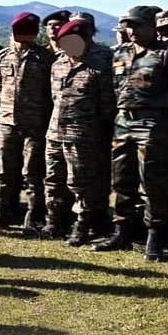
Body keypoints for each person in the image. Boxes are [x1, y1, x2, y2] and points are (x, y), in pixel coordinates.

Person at [94, 5, 168, 258]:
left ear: (152, 27)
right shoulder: (119, 53)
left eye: (138, 25)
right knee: (122, 179)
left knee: (153, 182)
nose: (132, 30)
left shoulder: (167, 55)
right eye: (129, 25)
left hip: (154, 124)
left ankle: (156, 236)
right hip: (123, 121)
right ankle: (123, 231)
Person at [45, 19, 117, 246]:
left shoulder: (103, 61)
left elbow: (107, 103)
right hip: (55, 131)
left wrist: (100, 131)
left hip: (85, 134)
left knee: (81, 182)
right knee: (54, 179)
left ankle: (83, 224)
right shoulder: (58, 64)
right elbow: (54, 98)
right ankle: (55, 221)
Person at [0, 12, 53, 233]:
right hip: (7, 122)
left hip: (35, 124)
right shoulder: (2, 57)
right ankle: (1, 213)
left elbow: (51, 92)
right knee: (3, 172)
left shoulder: (46, 58)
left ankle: (33, 217)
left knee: (32, 173)